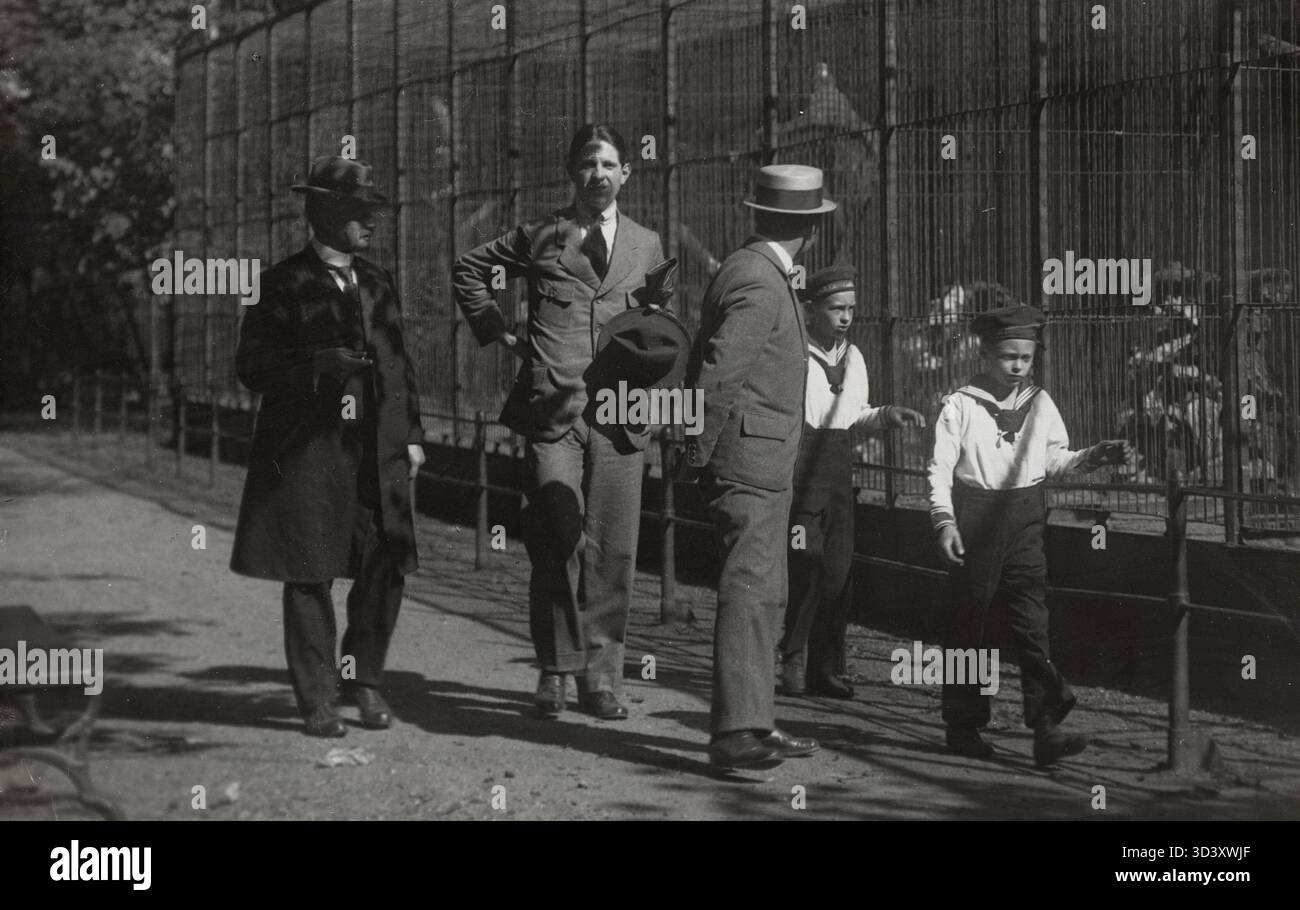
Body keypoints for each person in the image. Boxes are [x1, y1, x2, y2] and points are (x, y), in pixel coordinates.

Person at [452, 124, 667, 721]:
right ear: (571, 173)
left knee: (614, 551)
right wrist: (499, 332)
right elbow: (469, 269)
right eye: (587, 164)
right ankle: (554, 670)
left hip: (620, 418)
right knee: (556, 535)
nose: (599, 175)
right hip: (553, 411)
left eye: (610, 165)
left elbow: (661, 328)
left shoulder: (648, 245)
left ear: (627, 173)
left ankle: (602, 679)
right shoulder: (544, 233)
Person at [230, 156, 426, 738]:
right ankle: (317, 699)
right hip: (310, 452)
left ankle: (363, 681)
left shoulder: (378, 280)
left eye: (373, 210)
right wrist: (316, 365)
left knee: (384, 562)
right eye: (358, 211)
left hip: (376, 447)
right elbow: (251, 368)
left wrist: (412, 436)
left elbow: (399, 362)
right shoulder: (282, 282)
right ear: (325, 213)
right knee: (310, 571)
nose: (371, 221)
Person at [927, 304, 1131, 766]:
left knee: (1031, 620)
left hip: (1026, 517)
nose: (1018, 366)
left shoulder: (1039, 401)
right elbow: (938, 470)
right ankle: (962, 725)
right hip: (976, 517)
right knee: (969, 621)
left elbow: (1054, 459)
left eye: (1026, 358)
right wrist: (944, 522)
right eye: (1008, 357)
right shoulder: (958, 404)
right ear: (984, 353)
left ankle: (1045, 728)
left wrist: (1093, 455)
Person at [683, 164, 834, 770]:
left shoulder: (755, 270)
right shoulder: (760, 280)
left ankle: (756, 722)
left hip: (762, 458)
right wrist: (696, 454)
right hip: (746, 459)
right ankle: (733, 732)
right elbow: (720, 372)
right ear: (811, 230)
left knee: (767, 592)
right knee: (749, 590)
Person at [781, 266, 925, 699]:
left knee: (837, 574)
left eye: (850, 309)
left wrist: (886, 415)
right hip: (800, 470)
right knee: (805, 563)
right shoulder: (793, 352)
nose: (845, 317)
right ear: (810, 311)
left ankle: (826, 669)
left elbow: (854, 413)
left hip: (839, 473)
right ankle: (793, 660)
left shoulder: (854, 356)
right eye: (835, 308)